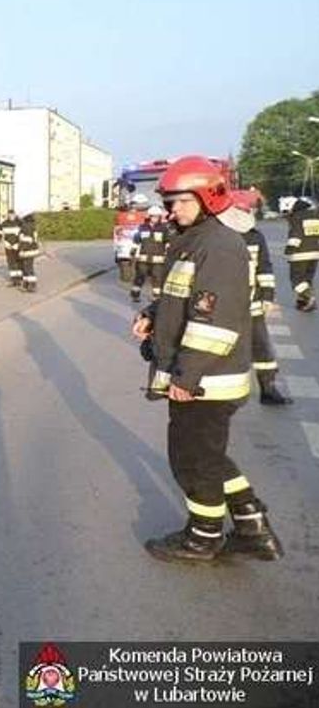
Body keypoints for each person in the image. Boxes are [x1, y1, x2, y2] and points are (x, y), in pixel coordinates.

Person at [132, 155, 282, 563]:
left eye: (181, 201)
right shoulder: (195, 241)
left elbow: (212, 323)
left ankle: (203, 536)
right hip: (202, 376)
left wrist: (186, 375)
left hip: (206, 379)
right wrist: (152, 315)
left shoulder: (218, 246)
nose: (172, 209)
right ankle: (252, 526)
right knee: (209, 455)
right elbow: (183, 298)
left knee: (192, 460)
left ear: (207, 198)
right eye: (169, 202)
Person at [232, 191, 292, 405]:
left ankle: (268, 388)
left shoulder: (256, 236)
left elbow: (264, 267)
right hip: (223, 307)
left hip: (251, 304)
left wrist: (267, 295)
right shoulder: (218, 235)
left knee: (262, 347)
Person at [284, 196, 319, 311]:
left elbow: (296, 235)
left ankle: (309, 297)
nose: (286, 214)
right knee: (307, 279)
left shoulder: (297, 217)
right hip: (315, 253)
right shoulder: (315, 216)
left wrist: (289, 250)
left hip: (300, 254)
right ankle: (302, 302)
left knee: (297, 280)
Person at [130, 205, 169, 303]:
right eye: (153, 216)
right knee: (140, 277)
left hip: (158, 260)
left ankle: (156, 297)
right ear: (149, 216)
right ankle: (135, 295)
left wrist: (168, 253)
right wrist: (133, 252)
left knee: (157, 278)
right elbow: (136, 240)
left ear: (159, 217)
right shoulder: (142, 227)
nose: (154, 218)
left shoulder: (163, 229)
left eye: (157, 216)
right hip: (143, 259)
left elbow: (167, 242)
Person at [0, 209, 23, 287]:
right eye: (10, 215)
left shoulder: (20, 223)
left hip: (17, 245)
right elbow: (0, 233)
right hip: (8, 246)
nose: (11, 216)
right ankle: (13, 279)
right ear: (8, 215)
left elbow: (24, 234)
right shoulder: (4, 224)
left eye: (12, 215)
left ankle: (19, 278)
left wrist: (18, 243)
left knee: (19, 261)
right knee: (11, 262)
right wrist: (4, 242)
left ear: (15, 215)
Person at [18, 212, 40, 292]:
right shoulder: (33, 226)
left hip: (27, 250)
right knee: (28, 266)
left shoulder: (25, 227)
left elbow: (26, 240)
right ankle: (27, 283)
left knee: (27, 267)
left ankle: (31, 284)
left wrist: (21, 250)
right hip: (33, 250)